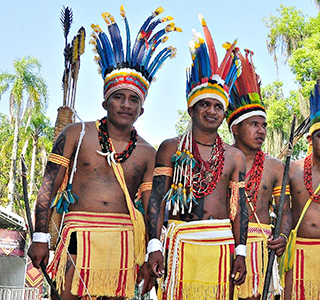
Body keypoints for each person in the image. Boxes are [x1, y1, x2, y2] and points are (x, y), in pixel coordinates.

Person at [27, 6, 178, 299]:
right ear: (105, 103)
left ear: (141, 109)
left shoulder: (148, 152)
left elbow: (151, 207)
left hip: (122, 240)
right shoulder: (76, 133)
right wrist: (40, 236)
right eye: (118, 97)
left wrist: (153, 248)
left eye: (133, 99)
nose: (125, 104)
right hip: (78, 234)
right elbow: (49, 187)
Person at [144, 16, 248, 299]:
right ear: (191, 109)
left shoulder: (234, 157)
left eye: (217, 106)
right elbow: (156, 199)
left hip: (221, 244)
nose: (211, 111)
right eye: (204, 104)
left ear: (224, 114)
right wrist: (154, 245)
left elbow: (239, 209)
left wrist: (241, 251)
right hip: (181, 241)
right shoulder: (170, 148)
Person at [226, 47, 290, 300]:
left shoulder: (275, 166)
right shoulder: (222, 160)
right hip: (225, 243)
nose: (261, 131)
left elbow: (285, 209)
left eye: (264, 125)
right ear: (236, 129)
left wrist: (283, 235)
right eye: (254, 124)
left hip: (261, 244)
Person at [280, 46, 320, 300]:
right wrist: (283, 237)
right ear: (310, 138)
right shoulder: (293, 169)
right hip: (297, 252)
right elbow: (284, 211)